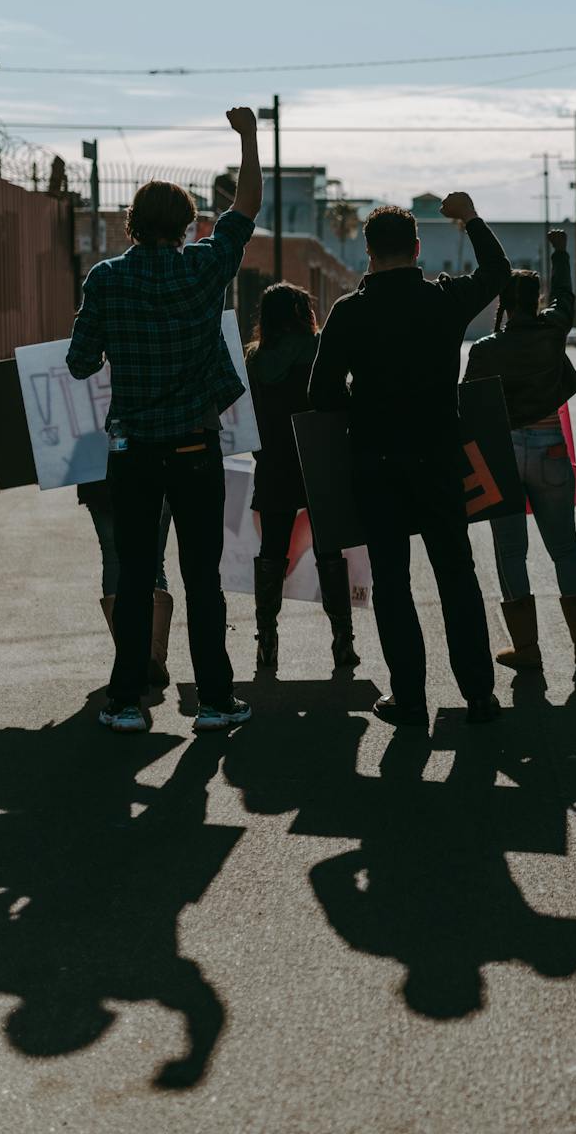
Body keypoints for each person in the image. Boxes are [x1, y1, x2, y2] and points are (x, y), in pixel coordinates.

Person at [66, 106, 262, 735]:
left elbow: (78, 363)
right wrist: (251, 137)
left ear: (131, 225)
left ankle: (125, 702)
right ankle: (213, 701)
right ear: (187, 225)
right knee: (202, 576)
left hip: (131, 451)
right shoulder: (206, 268)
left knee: (134, 572)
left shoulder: (105, 280)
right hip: (196, 448)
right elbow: (247, 209)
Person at [308, 193, 506, 728]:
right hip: (440, 456)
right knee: (456, 575)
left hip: (375, 461)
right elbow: (497, 273)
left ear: (368, 254)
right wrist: (470, 217)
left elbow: (321, 390)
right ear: (417, 248)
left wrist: (363, 410)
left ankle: (410, 699)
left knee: (393, 581)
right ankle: (480, 696)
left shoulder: (349, 313)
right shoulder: (443, 301)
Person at [463, 228, 576, 671]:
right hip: (550, 448)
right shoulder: (552, 331)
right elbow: (565, 296)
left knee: (511, 551)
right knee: (565, 546)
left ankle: (526, 648)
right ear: (536, 299)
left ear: (503, 304)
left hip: (504, 453)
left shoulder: (487, 349)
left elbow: (470, 406)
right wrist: (560, 253)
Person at [244, 282, 359, 674]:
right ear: (302, 313)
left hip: (273, 463)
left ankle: (267, 640)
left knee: (272, 551)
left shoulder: (255, 360)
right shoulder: (318, 349)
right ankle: (343, 639)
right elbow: (339, 398)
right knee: (329, 549)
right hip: (317, 458)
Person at [78, 480, 176, 687]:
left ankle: (129, 655)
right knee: (153, 559)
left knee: (113, 557)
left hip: (99, 478)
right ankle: (153, 653)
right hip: (156, 467)